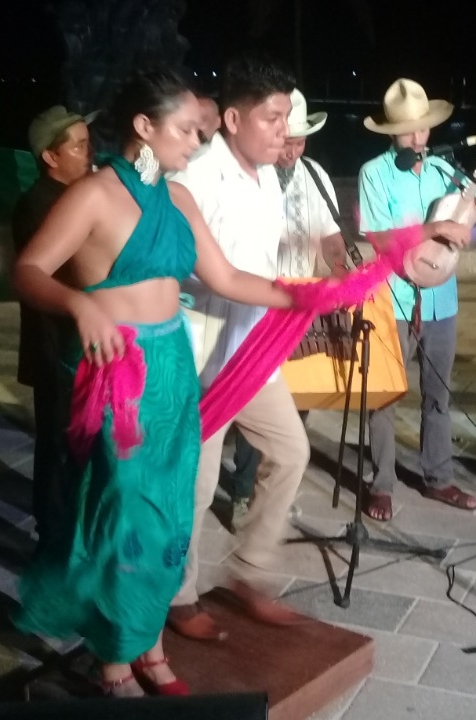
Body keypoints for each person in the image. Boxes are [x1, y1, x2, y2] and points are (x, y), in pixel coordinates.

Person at [12, 66, 297, 696]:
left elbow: (225, 279)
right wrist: (80, 305)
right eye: (187, 130)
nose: (196, 142)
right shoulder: (91, 195)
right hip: (119, 372)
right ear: (144, 126)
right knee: (125, 514)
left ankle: (150, 643)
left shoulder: (179, 199)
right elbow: (28, 269)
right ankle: (115, 656)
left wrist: (303, 296)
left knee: (168, 513)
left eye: (199, 131)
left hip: (171, 365)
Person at [169, 53, 310, 642]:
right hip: (201, 353)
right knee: (197, 487)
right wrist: (297, 298)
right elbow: (204, 272)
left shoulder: (270, 176)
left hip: (251, 352)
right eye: (273, 119)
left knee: (292, 451)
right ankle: (176, 597)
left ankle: (249, 572)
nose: (284, 132)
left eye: (286, 119)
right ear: (232, 118)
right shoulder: (195, 179)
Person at [357, 78, 476, 522]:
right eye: (408, 131)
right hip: (394, 298)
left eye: (423, 130)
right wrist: (431, 231)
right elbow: (379, 237)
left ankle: (437, 477)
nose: (418, 139)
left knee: (438, 394)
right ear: (390, 134)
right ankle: (381, 483)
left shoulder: (446, 170)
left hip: (443, 298)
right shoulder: (374, 173)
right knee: (384, 394)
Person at [226, 87, 348, 527]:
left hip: (304, 306)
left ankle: (274, 494)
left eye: (300, 141)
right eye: (287, 140)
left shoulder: (314, 174)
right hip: (260, 304)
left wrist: (342, 269)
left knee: (296, 402)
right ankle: (243, 494)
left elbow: (331, 235)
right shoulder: (249, 176)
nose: (293, 149)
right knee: (254, 399)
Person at [11, 104, 98, 547]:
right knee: (59, 447)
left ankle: (69, 530)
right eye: (79, 146)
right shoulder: (38, 207)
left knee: (75, 446)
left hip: (78, 343)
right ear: (50, 157)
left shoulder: (72, 197)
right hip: (55, 347)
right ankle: (53, 539)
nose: (89, 153)